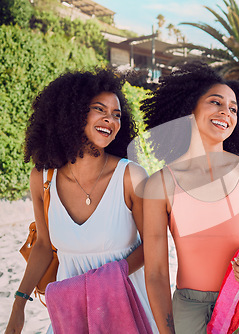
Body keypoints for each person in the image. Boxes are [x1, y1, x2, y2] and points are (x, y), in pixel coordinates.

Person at [5, 68, 158, 333]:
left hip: (128, 312)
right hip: (69, 314)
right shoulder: (42, 177)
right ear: (73, 113)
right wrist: (19, 305)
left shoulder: (130, 176)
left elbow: (153, 247)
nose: (110, 120)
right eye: (100, 109)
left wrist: (105, 279)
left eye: (117, 115)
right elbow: (43, 245)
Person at [140, 62, 239, 334]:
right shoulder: (161, 183)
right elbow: (156, 273)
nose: (225, 112)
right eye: (215, 102)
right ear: (189, 108)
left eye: (233, 108)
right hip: (188, 311)